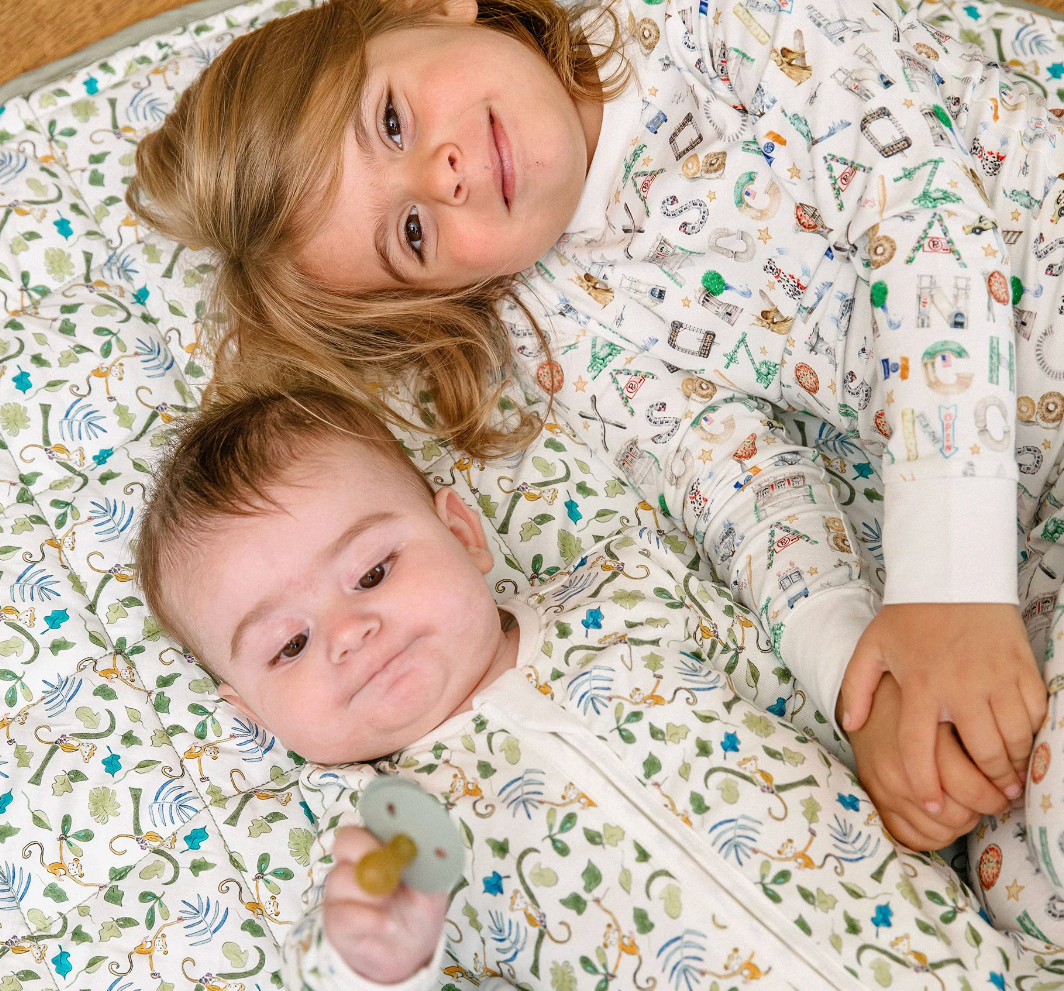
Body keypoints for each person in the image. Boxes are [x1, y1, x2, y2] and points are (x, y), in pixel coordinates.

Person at [133, 385, 1064, 991]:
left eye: (373, 572)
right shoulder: (386, 830)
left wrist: (896, 749)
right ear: (249, 712)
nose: (349, 632)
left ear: (463, 533)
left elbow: (805, 688)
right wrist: (367, 954)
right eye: (289, 646)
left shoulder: (627, 597)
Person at [123, 0, 1064, 872]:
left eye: (393, 122)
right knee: (1020, 850)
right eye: (412, 232)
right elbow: (739, 484)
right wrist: (866, 679)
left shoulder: (711, 30)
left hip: (982, 477)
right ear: (444, 294)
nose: (443, 176)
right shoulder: (561, 329)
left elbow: (930, 228)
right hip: (1021, 529)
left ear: (425, 9)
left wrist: (949, 585)